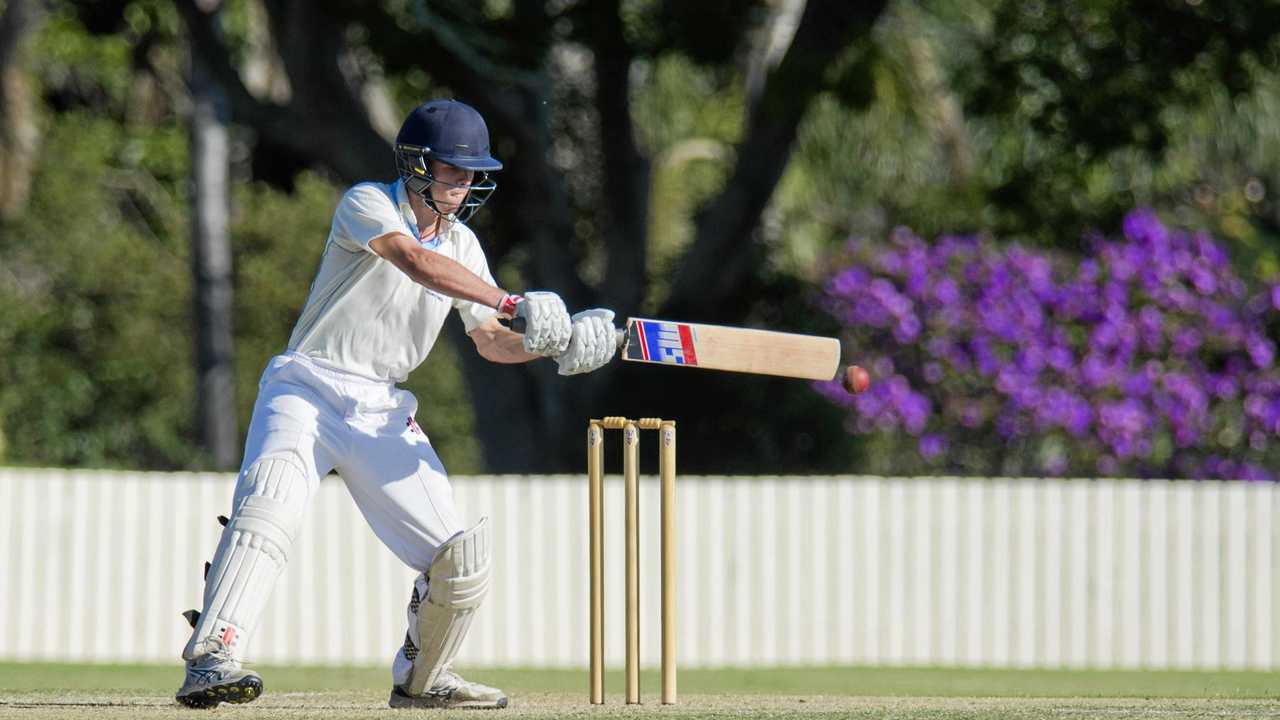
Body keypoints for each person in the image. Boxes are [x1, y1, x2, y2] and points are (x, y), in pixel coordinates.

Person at [175, 99, 617, 710]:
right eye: (451, 170)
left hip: (382, 408)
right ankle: (212, 658)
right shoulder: (369, 203)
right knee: (268, 510)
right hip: (307, 387)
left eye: (471, 173)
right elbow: (414, 262)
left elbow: (490, 340)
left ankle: (424, 680)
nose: (462, 184)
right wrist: (517, 303)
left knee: (458, 562)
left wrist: (556, 345)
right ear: (415, 166)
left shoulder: (465, 246)